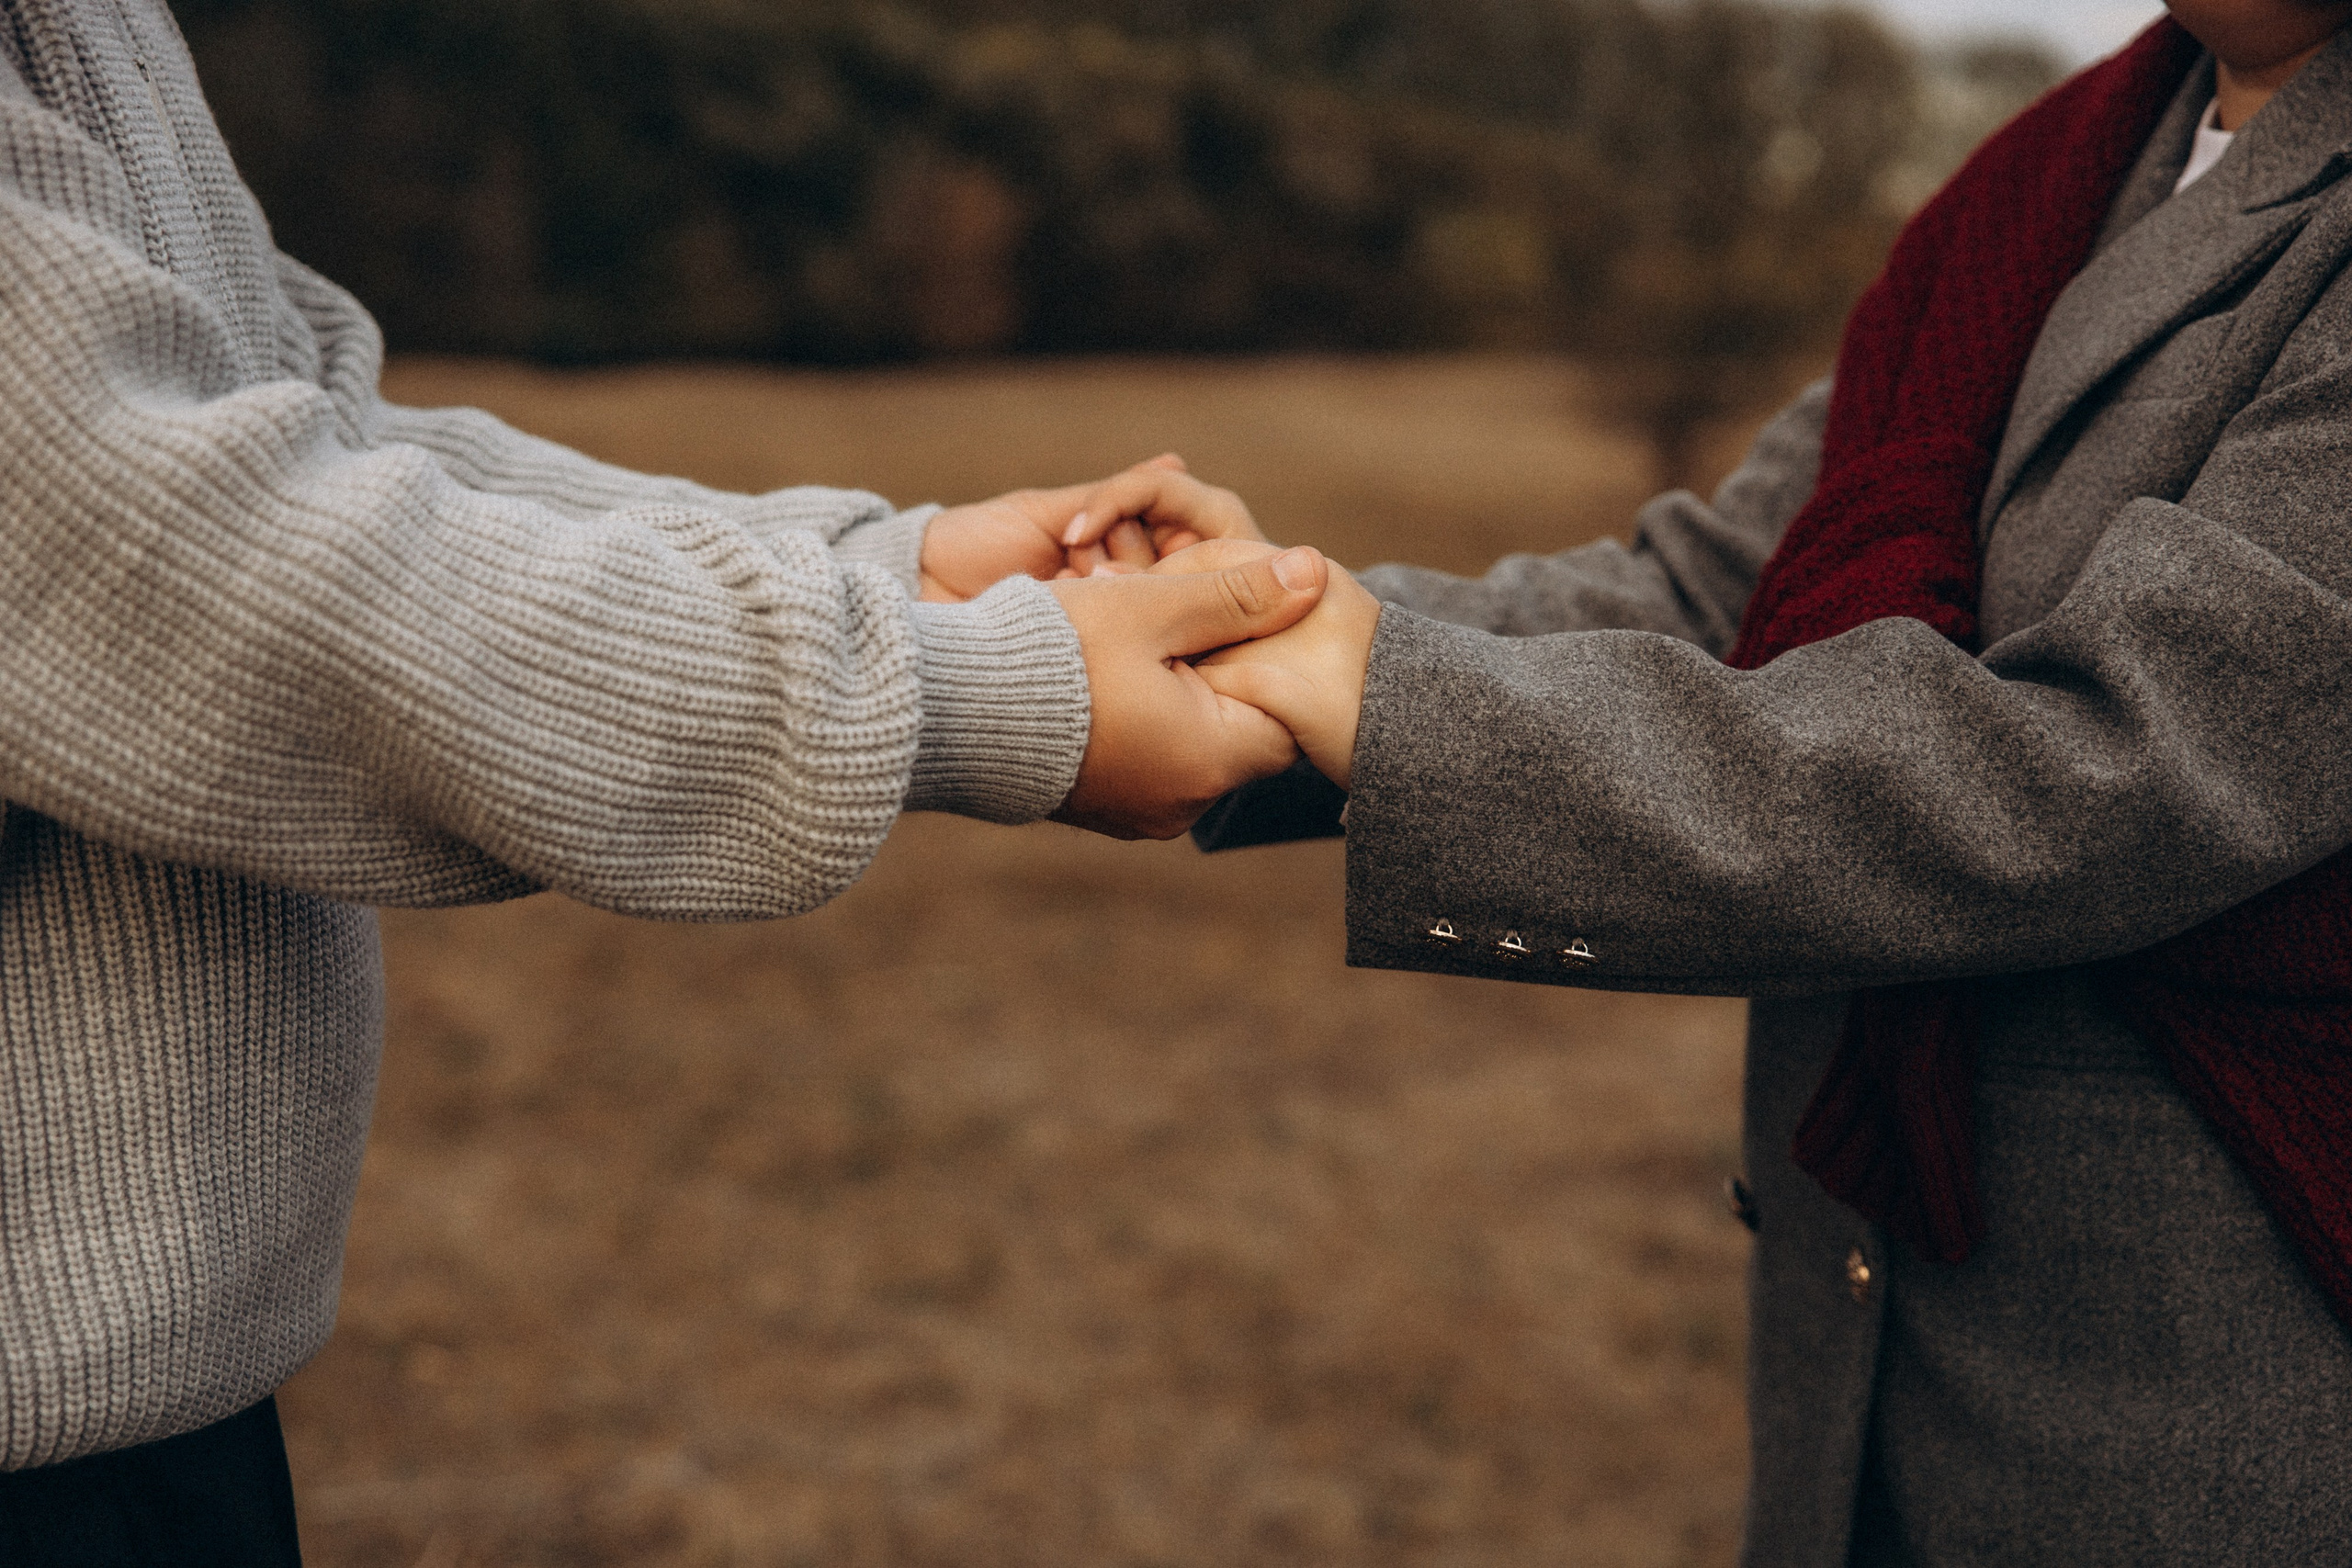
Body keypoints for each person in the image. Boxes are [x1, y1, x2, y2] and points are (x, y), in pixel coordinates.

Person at [0, 0, 1332, 1556]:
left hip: (134, 1414)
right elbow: (162, 543)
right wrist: (963, 687)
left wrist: (893, 575)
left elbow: (307, 431)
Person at [1111, 1, 2352, 1560]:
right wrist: (1251, 625)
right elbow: (1723, 592)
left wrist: (1402, 710)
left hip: (2213, 1439)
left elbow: (2101, 766)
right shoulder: (2056, 176)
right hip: (1877, 1377)